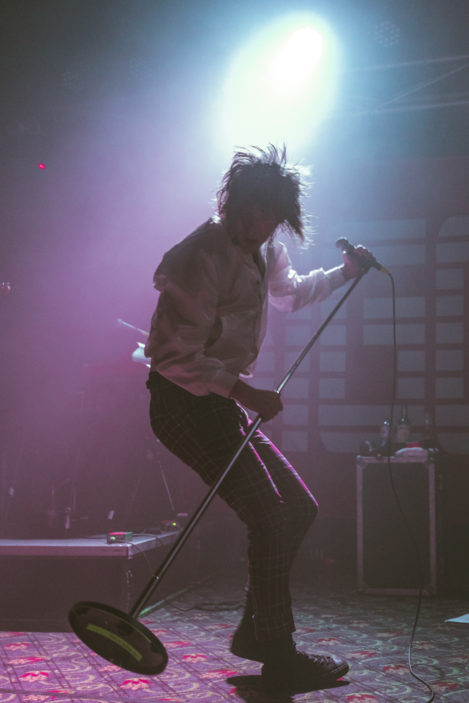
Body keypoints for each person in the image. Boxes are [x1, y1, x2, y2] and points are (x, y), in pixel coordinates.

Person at [144, 145, 375, 692]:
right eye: (252, 212)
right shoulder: (201, 254)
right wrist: (245, 392)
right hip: (180, 403)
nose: (259, 225)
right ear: (233, 203)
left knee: (298, 508)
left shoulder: (265, 250)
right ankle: (278, 653)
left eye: (271, 216)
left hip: (216, 402)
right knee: (269, 517)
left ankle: (257, 632)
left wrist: (345, 274)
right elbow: (173, 358)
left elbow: (289, 296)